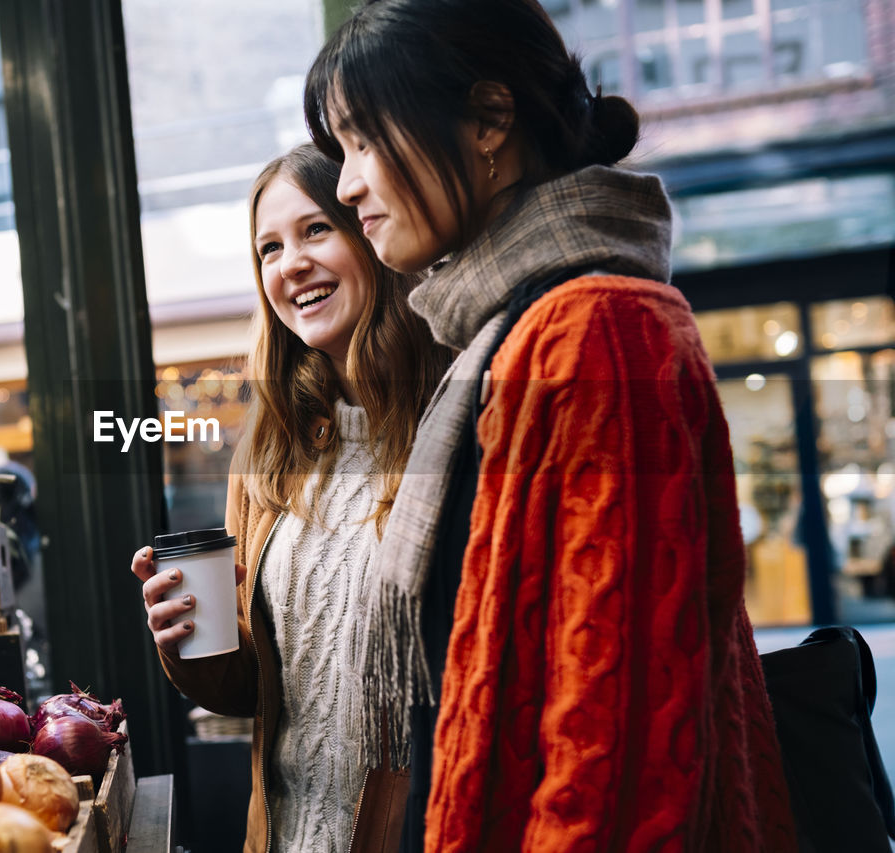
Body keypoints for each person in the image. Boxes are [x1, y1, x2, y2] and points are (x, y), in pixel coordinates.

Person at [303, 1, 800, 851]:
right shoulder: (496, 339)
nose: (348, 186)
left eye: (361, 141)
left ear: (490, 118)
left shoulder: (597, 329)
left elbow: (615, 747)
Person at [131, 143, 448, 853]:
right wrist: (186, 638)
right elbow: (255, 690)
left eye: (314, 230)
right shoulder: (270, 453)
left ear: (370, 232)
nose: (290, 264)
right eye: (268, 248)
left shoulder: (449, 426)